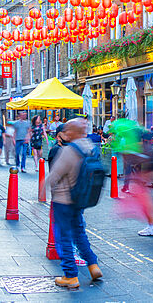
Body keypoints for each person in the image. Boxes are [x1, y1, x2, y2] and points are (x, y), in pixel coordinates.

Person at [41, 118, 103, 288]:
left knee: (63, 237)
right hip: (80, 198)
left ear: (73, 133)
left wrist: (41, 191)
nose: (65, 133)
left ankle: (70, 276)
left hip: (63, 200)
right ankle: (93, 265)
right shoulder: (91, 147)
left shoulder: (69, 151)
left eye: (68, 130)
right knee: (79, 233)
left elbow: (55, 175)